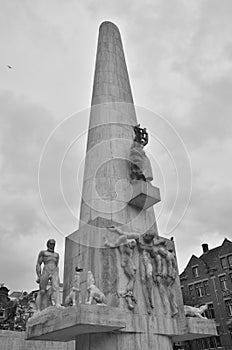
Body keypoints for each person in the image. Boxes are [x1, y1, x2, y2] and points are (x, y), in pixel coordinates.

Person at [35, 239, 60, 311]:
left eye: (54, 244)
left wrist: (56, 274)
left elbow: (56, 264)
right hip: (46, 270)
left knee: (56, 288)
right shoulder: (43, 253)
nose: (52, 245)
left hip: (54, 271)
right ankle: (38, 310)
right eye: (51, 244)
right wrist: (38, 275)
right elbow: (38, 264)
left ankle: (57, 304)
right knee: (42, 291)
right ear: (48, 244)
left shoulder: (56, 255)